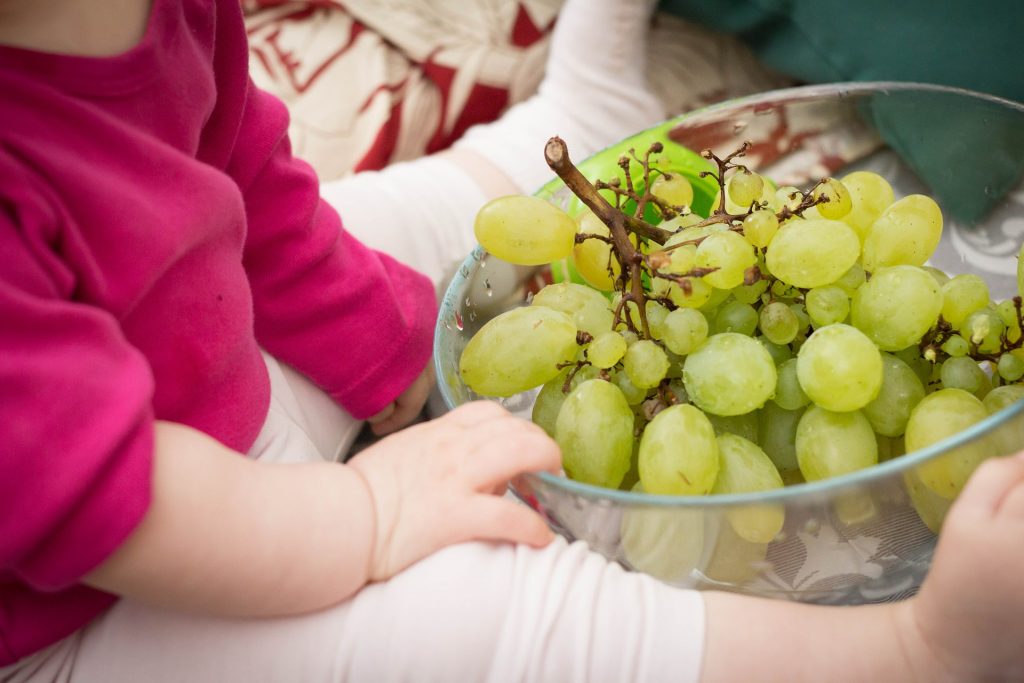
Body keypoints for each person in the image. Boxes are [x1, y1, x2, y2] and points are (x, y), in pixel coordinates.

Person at [1, 2, 1023, 683]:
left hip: (182, 379)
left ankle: (571, 121)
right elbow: (100, 492)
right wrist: (361, 511)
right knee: (476, 611)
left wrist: (382, 343)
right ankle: (914, 648)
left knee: (356, 227)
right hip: (89, 603)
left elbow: (244, 187)